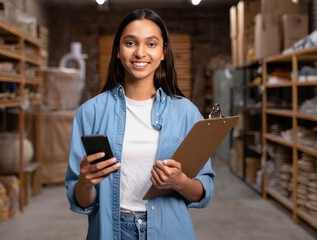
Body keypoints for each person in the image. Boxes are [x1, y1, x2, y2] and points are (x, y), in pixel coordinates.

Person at [65, 8, 215, 240]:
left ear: (164, 52)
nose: (140, 53)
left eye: (151, 44)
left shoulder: (186, 112)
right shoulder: (90, 113)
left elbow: (202, 192)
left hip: (170, 231)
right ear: (118, 50)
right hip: (110, 231)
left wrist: (181, 182)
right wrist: (85, 182)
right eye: (130, 43)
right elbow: (81, 201)